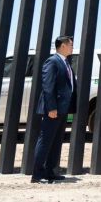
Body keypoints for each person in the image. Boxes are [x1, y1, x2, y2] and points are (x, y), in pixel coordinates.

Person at [32, 35, 77, 183]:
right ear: (62, 46)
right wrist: (51, 107)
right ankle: (37, 175)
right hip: (53, 109)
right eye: (70, 44)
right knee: (45, 141)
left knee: (56, 142)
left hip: (62, 109)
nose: (72, 47)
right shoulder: (52, 61)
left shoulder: (65, 62)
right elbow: (48, 86)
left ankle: (50, 172)